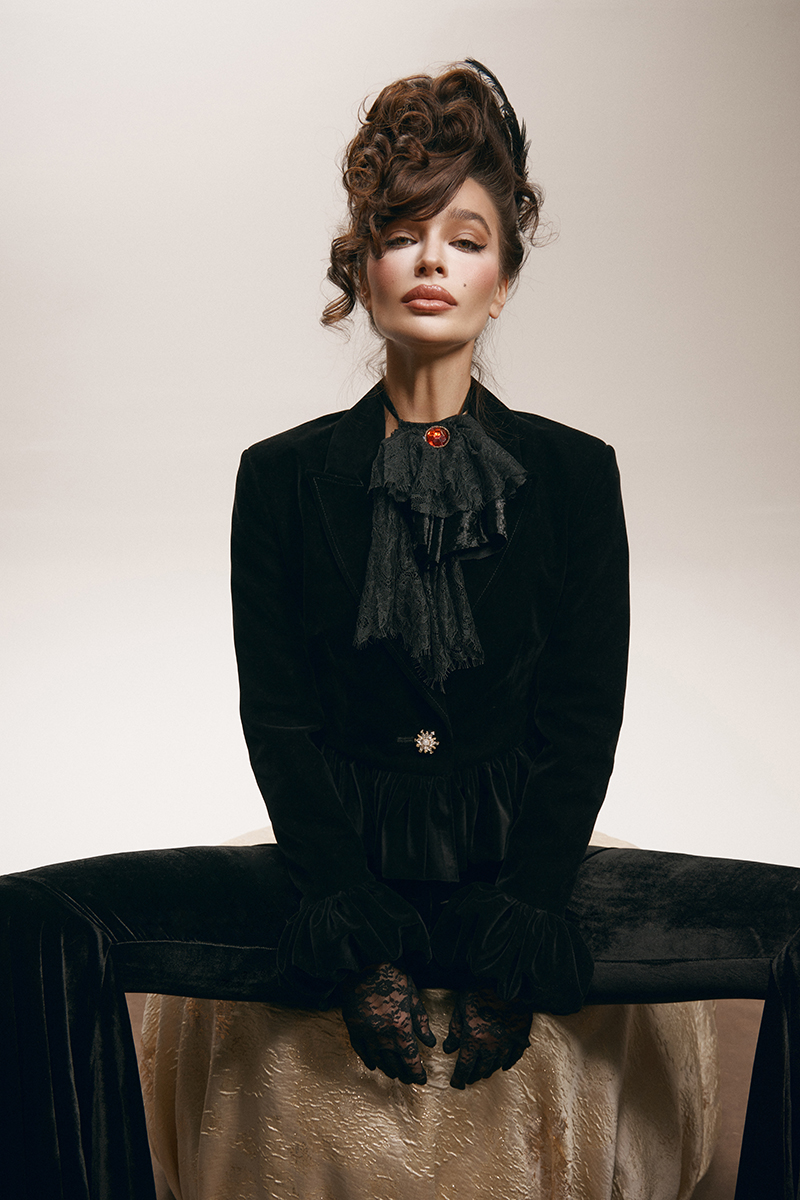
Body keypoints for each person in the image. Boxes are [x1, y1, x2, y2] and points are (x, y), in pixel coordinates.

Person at [0, 60, 797, 1200]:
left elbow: (583, 717)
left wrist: (527, 918)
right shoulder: (279, 478)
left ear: (501, 283)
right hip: (336, 868)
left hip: (520, 864)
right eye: (401, 235)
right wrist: (344, 917)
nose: (431, 261)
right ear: (361, 272)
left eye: (464, 239)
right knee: (34, 919)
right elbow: (277, 717)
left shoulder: (575, 475)